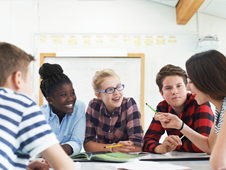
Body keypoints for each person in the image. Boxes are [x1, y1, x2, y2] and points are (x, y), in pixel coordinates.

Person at [0, 42, 74, 170]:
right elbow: (65, 166)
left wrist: (26, 167)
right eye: (29, 79)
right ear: (18, 79)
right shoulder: (21, 105)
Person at [157, 50, 226, 170]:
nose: (188, 87)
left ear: (207, 81)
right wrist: (180, 125)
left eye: (191, 81)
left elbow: (218, 163)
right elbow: (210, 147)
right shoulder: (221, 110)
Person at [143, 64, 214, 154]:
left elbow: (205, 145)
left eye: (179, 86)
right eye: (168, 88)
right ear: (161, 93)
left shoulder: (200, 102)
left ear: (187, 87)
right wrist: (161, 148)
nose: (175, 92)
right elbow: (146, 141)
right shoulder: (162, 107)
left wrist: (174, 146)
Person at [84, 69, 143, 153]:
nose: (116, 93)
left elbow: (137, 146)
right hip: (102, 160)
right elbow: (88, 145)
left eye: (118, 87)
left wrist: (109, 148)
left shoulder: (129, 104)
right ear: (98, 95)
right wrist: (113, 148)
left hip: (126, 159)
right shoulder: (94, 106)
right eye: (110, 90)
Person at [39, 63, 86, 156]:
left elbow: (76, 142)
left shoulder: (79, 108)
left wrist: (54, 152)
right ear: (50, 100)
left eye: (72, 92)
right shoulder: (39, 116)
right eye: (64, 95)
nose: (71, 99)